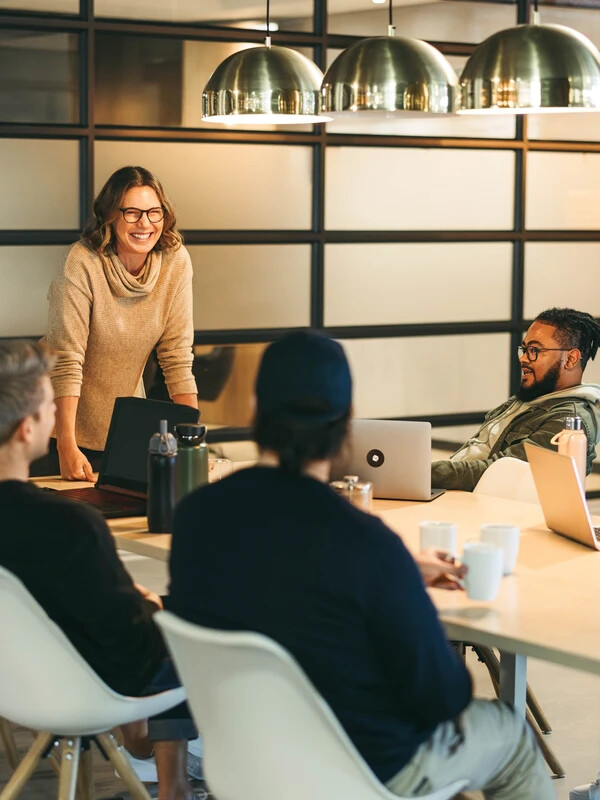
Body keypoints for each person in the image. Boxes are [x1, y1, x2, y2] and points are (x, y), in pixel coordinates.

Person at [167, 330, 553, 799]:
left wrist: (398, 576)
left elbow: (284, 577)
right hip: (365, 770)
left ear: (254, 410)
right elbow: (442, 695)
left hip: (247, 764)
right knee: (510, 736)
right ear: (346, 426)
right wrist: (400, 586)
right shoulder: (366, 544)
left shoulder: (195, 517)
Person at [0, 339, 201, 800]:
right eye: (51, 404)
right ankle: (174, 784)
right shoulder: (68, 524)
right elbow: (131, 643)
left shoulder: (53, 522)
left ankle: (155, 760)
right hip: (87, 683)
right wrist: (149, 606)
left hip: (14, 683)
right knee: (187, 621)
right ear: (26, 429)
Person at [35, 165, 198, 481]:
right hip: (53, 428)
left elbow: (178, 359)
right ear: (110, 215)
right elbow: (66, 362)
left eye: (154, 212)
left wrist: (193, 444)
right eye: (132, 213)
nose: (145, 224)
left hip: (120, 429)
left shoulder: (175, 261)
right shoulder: (82, 262)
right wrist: (66, 446)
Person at [432, 307, 600, 491]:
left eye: (535, 350)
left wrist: (427, 472)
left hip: (483, 505)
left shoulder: (568, 422)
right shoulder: (531, 399)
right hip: (457, 493)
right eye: (525, 349)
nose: (524, 359)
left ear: (571, 359)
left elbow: (498, 471)